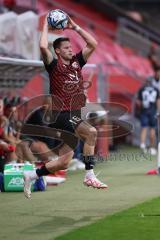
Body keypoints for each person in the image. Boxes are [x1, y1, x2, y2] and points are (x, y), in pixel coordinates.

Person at [23, 13, 107, 198]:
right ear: (58, 51)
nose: (70, 49)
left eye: (71, 47)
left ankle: (31, 175)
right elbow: (43, 46)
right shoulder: (53, 65)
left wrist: (75, 27)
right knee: (91, 132)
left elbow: (93, 44)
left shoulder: (77, 63)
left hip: (73, 113)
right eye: (66, 48)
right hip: (62, 113)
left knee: (63, 162)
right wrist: (45, 24)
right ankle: (89, 175)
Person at [136, 77, 160, 155]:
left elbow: (138, 102)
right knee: (152, 129)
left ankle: (142, 145)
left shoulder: (142, 89)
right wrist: (158, 111)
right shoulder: (156, 89)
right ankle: (152, 148)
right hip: (153, 111)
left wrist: (140, 108)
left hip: (144, 111)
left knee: (144, 128)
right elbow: (158, 101)